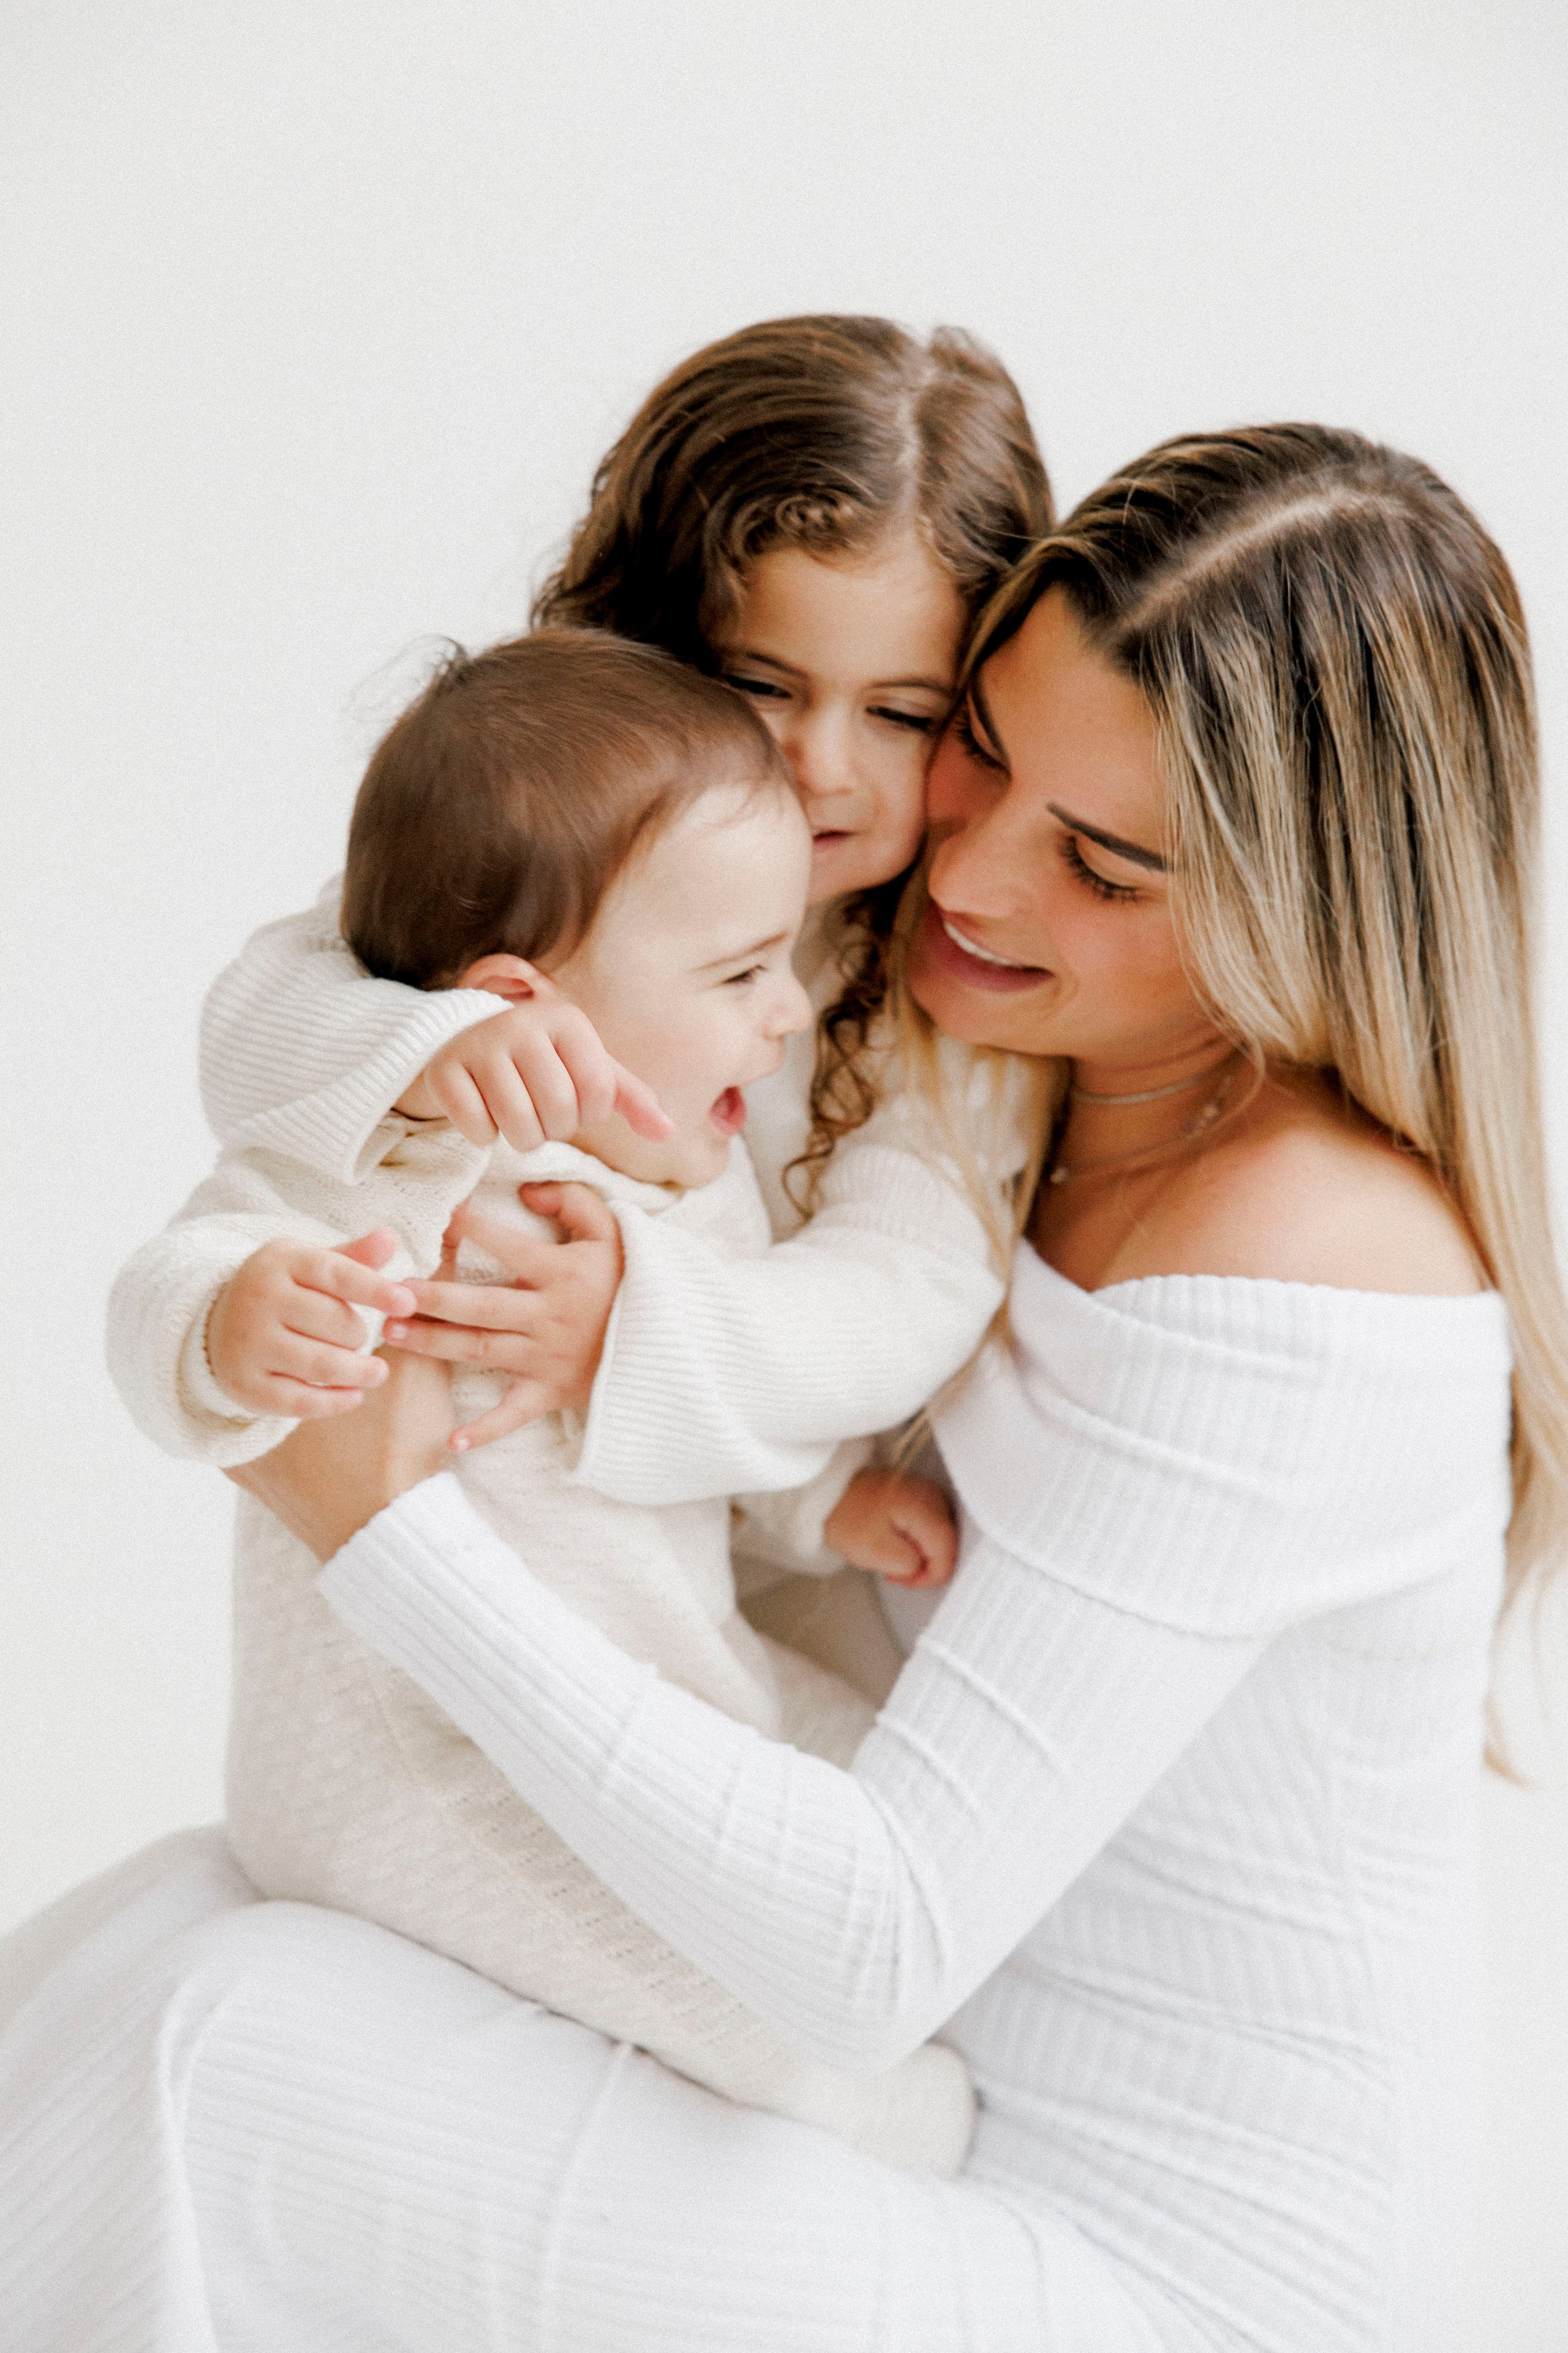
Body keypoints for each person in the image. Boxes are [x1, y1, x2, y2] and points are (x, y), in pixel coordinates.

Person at [7, 422, 1564, 2352]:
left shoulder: (1302, 1272)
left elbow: (871, 1942)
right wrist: (403, 1062)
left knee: (207, 2045)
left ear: (1300, 907)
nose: (969, 872)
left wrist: (381, 1525)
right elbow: (356, 965)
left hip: (1145, 2273)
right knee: (176, 1919)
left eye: (1097, 861)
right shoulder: (994, 1055)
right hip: (902, 2114)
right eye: (980, 745)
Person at [107, 624, 977, 2168]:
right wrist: (239, 1317)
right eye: (736, 974)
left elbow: (672, 1406)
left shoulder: (669, 1181)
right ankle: (912, 2142)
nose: (782, 1015)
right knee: (798, 2026)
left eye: (783, 962)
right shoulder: (403, 1154)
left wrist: (810, 1497)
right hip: (418, 1767)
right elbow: (173, 1276)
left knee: (882, 1804)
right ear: (525, 1003)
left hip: (650, 1683)